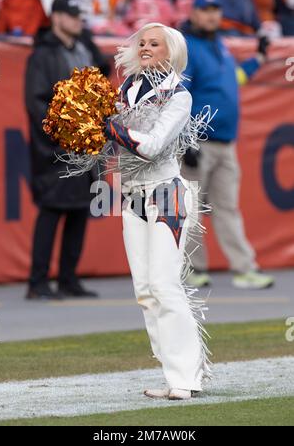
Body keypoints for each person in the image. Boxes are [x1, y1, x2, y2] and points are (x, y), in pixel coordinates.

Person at [97, 22, 211, 400]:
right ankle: (171, 374)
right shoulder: (126, 92)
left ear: (171, 51)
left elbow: (153, 146)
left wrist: (109, 127)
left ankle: (186, 378)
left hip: (167, 195)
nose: (145, 47)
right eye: (141, 42)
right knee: (145, 291)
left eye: (154, 43)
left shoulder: (177, 95)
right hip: (132, 197)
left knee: (165, 285)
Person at [181, 0, 275, 289]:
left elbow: (233, 78)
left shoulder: (219, 45)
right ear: (194, 14)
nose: (211, 16)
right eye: (205, 10)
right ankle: (192, 269)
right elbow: (178, 95)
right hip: (198, 141)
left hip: (225, 143)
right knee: (192, 209)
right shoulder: (187, 48)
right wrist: (185, 139)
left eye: (215, 10)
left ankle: (245, 268)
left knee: (227, 208)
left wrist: (258, 58)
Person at [25, 0, 110, 300]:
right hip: (57, 148)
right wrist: (61, 138)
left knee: (77, 212)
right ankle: (37, 282)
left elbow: (102, 85)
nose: (78, 21)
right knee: (52, 210)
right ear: (57, 17)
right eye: (72, 16)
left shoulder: (85, 49)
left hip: (86, 147)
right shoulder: (43, 55)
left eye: (79, 16)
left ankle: (67, 279)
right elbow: (37, 103)